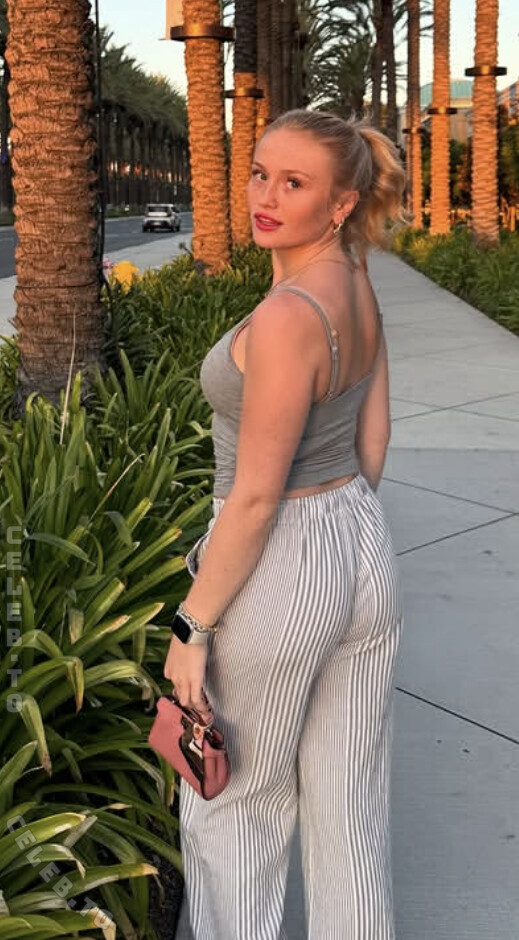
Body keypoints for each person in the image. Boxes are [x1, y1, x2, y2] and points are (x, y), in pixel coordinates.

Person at [164, 109, 406, 939]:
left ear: (340, 204)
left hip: (279, 557)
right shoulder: (356, 283)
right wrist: (340, 540)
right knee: (350, 803)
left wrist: (192, 625)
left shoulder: (286, 316)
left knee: (234, 806)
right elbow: (373, 440)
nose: (264, 196)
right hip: (359, 538)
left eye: (293, 183)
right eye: (259, 172)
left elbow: (256, 498)